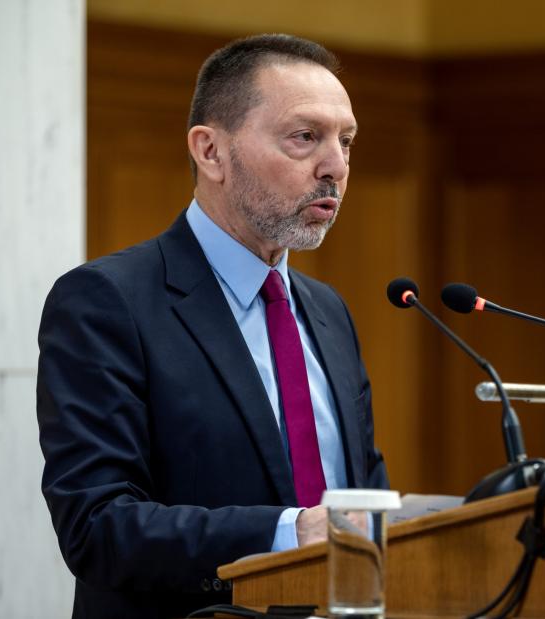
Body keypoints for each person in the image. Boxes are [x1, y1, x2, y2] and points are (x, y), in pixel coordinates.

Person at [36, 34, 388, 619]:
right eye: (305, 137)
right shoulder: (106, 302)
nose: (336, 167)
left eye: (346, 141)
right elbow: (97, 526)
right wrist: (288, 534)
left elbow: (361, 495)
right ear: (211, 152)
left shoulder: (328, 311)